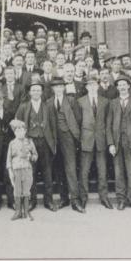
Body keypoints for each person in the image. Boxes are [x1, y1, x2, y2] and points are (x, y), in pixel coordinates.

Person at [15, 78, 57, 212]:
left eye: (38, 90)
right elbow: (16, 125)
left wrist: (53, 143)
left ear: (42, 92)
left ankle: (48, 201)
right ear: (29, 92)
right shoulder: (23, 107)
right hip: (30, 143)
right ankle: (32, 201)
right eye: (33, 90)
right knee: (30, 173)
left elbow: (53, 126)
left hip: (45, 142)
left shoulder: (48, 106)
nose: (36, 92)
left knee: (47, 173)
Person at [107, 76, 131, 211]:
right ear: (117, 88)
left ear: (129, 86)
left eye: (124, 85)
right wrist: (110, 143)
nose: (122, 87)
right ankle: (121, 200)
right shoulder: (113, 103)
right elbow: (108, 125)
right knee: (118, 172)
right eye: (120, 85)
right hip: (116, 143)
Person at [48, 77, 84, 213]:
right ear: (52, 89)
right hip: (54, 139)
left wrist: (74, 136)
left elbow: (78, 119)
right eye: (55, 87)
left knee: (71, 168)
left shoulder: (71, 101)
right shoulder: (49, 102)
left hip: (68, 137)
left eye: (60, 86)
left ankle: (75, 200)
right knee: (59, 169)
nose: (58, 89)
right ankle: (64, 198)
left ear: (64, 88)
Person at [78, 76, 111, 209]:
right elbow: (79, 122)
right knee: (84, 171)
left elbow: (107, 122)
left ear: (98, 86)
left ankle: (104, 197)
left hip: (101, 139)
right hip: (86, 139)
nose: (92, 87)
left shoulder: (105, 101)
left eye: (94, 85)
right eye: (89, 85)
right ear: (86, 87)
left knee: (102, 170)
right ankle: (83, 197)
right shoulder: (80, 101)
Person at [6, 119, 37, 221]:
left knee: (26, 191)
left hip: (27, 169)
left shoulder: (29, 142)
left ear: (25, 131)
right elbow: (9, 159)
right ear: (14, 132)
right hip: (16, 170)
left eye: (22, 130)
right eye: (17, 131)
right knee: (17, 191)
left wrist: (31, 156)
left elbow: (35, 155)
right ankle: (18, 212)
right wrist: (10, 171)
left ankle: (26, 212)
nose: (20, 132)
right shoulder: (12, 143)